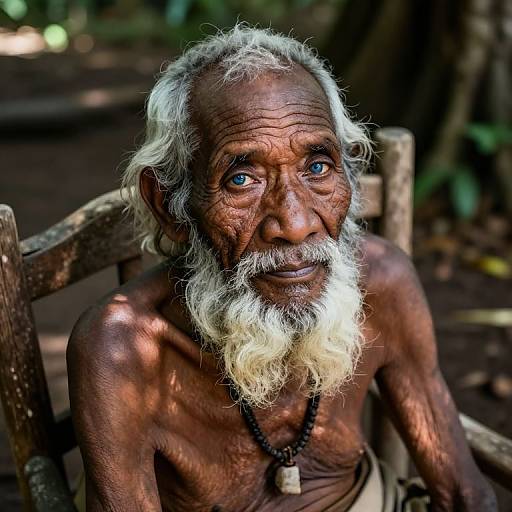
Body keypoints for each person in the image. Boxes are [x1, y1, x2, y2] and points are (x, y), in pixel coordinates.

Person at [67, 25, 497, 511]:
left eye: (317, 168)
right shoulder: (122, 347)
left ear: (348, 176)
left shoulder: (382, 284)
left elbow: (464, 494)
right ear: (170, 205)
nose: (293, 224)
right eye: (242, 179)